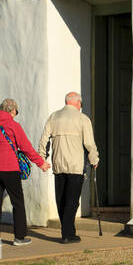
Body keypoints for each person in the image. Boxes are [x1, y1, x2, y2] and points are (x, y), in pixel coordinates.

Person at [0, 98, 49, 246]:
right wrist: (41, 163)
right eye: (16, 111)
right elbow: (26, 147)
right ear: (12, 110)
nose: (16, 114)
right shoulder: (14, 126)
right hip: (9, 168)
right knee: (18, 202)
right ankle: (19, 237)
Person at [38, 91, 100, 243]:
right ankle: (68, 234)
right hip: (75, 165)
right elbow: (89, 144)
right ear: (78, 103)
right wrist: (94, 159)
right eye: (81, 104)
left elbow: (44, 140)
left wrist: (42, 159)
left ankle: (67, 231)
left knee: (61, 199)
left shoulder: (54, 117)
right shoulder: (83, 119)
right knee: (72, 200)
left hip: (58, 165)